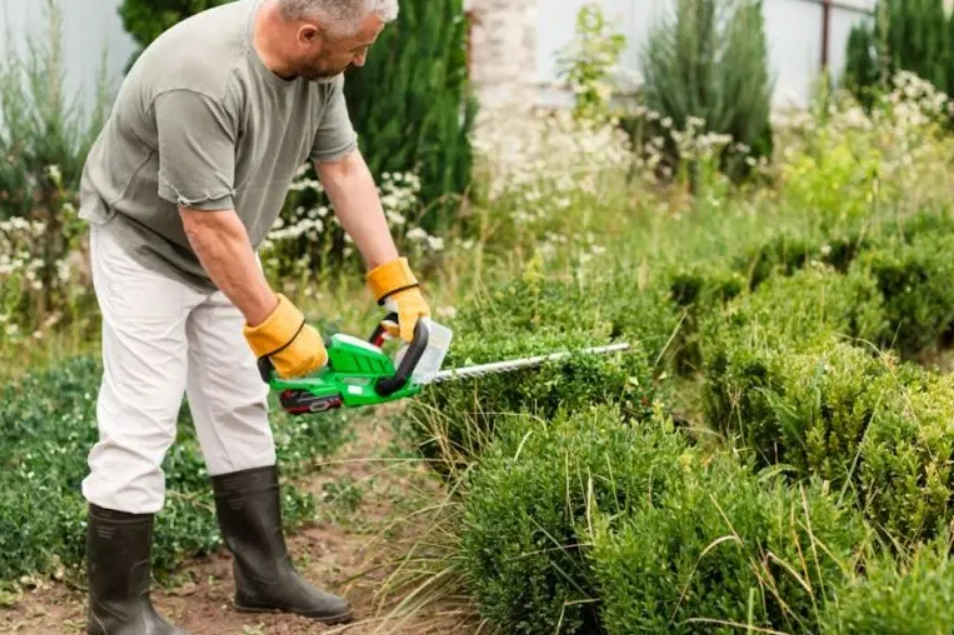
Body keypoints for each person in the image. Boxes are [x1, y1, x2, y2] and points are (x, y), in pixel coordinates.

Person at [76, 0, 428, 632]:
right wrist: (275, 324)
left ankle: (263, 576)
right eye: (357, 49)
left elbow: (342, 165)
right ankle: (117, 610)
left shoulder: (321, 67)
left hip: (225, 245)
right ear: (308, 34)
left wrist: (392, 277)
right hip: (146, 247)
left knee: (238, 401)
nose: (363, 59)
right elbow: (204, 224)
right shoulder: (203, 77)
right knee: (142, 417)